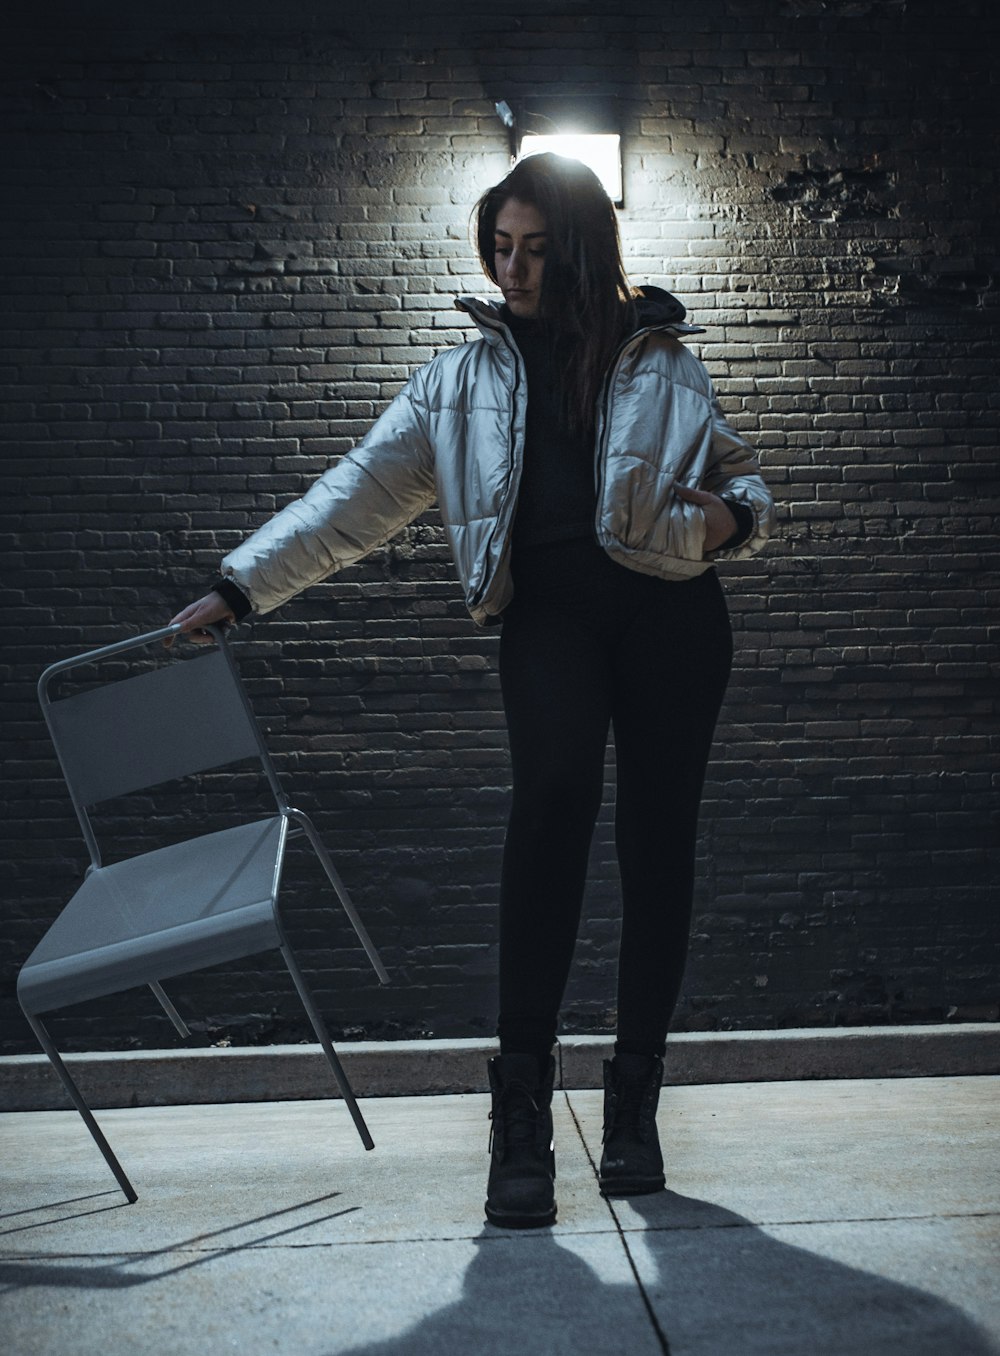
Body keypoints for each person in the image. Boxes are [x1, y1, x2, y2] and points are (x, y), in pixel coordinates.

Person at [169, 153, 775, 1230]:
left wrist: (736, 517)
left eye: (536, 249)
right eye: (500, 246)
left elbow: (738, 477)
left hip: (672, 618)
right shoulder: (456, 383)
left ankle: (633, 1105)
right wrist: (240, 586)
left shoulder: (664, 360)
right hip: (549, 620)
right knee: (547, 810)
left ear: (583, 246)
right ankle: (521, 1120)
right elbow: (349, 498)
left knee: (657, 841)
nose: (514, 269)